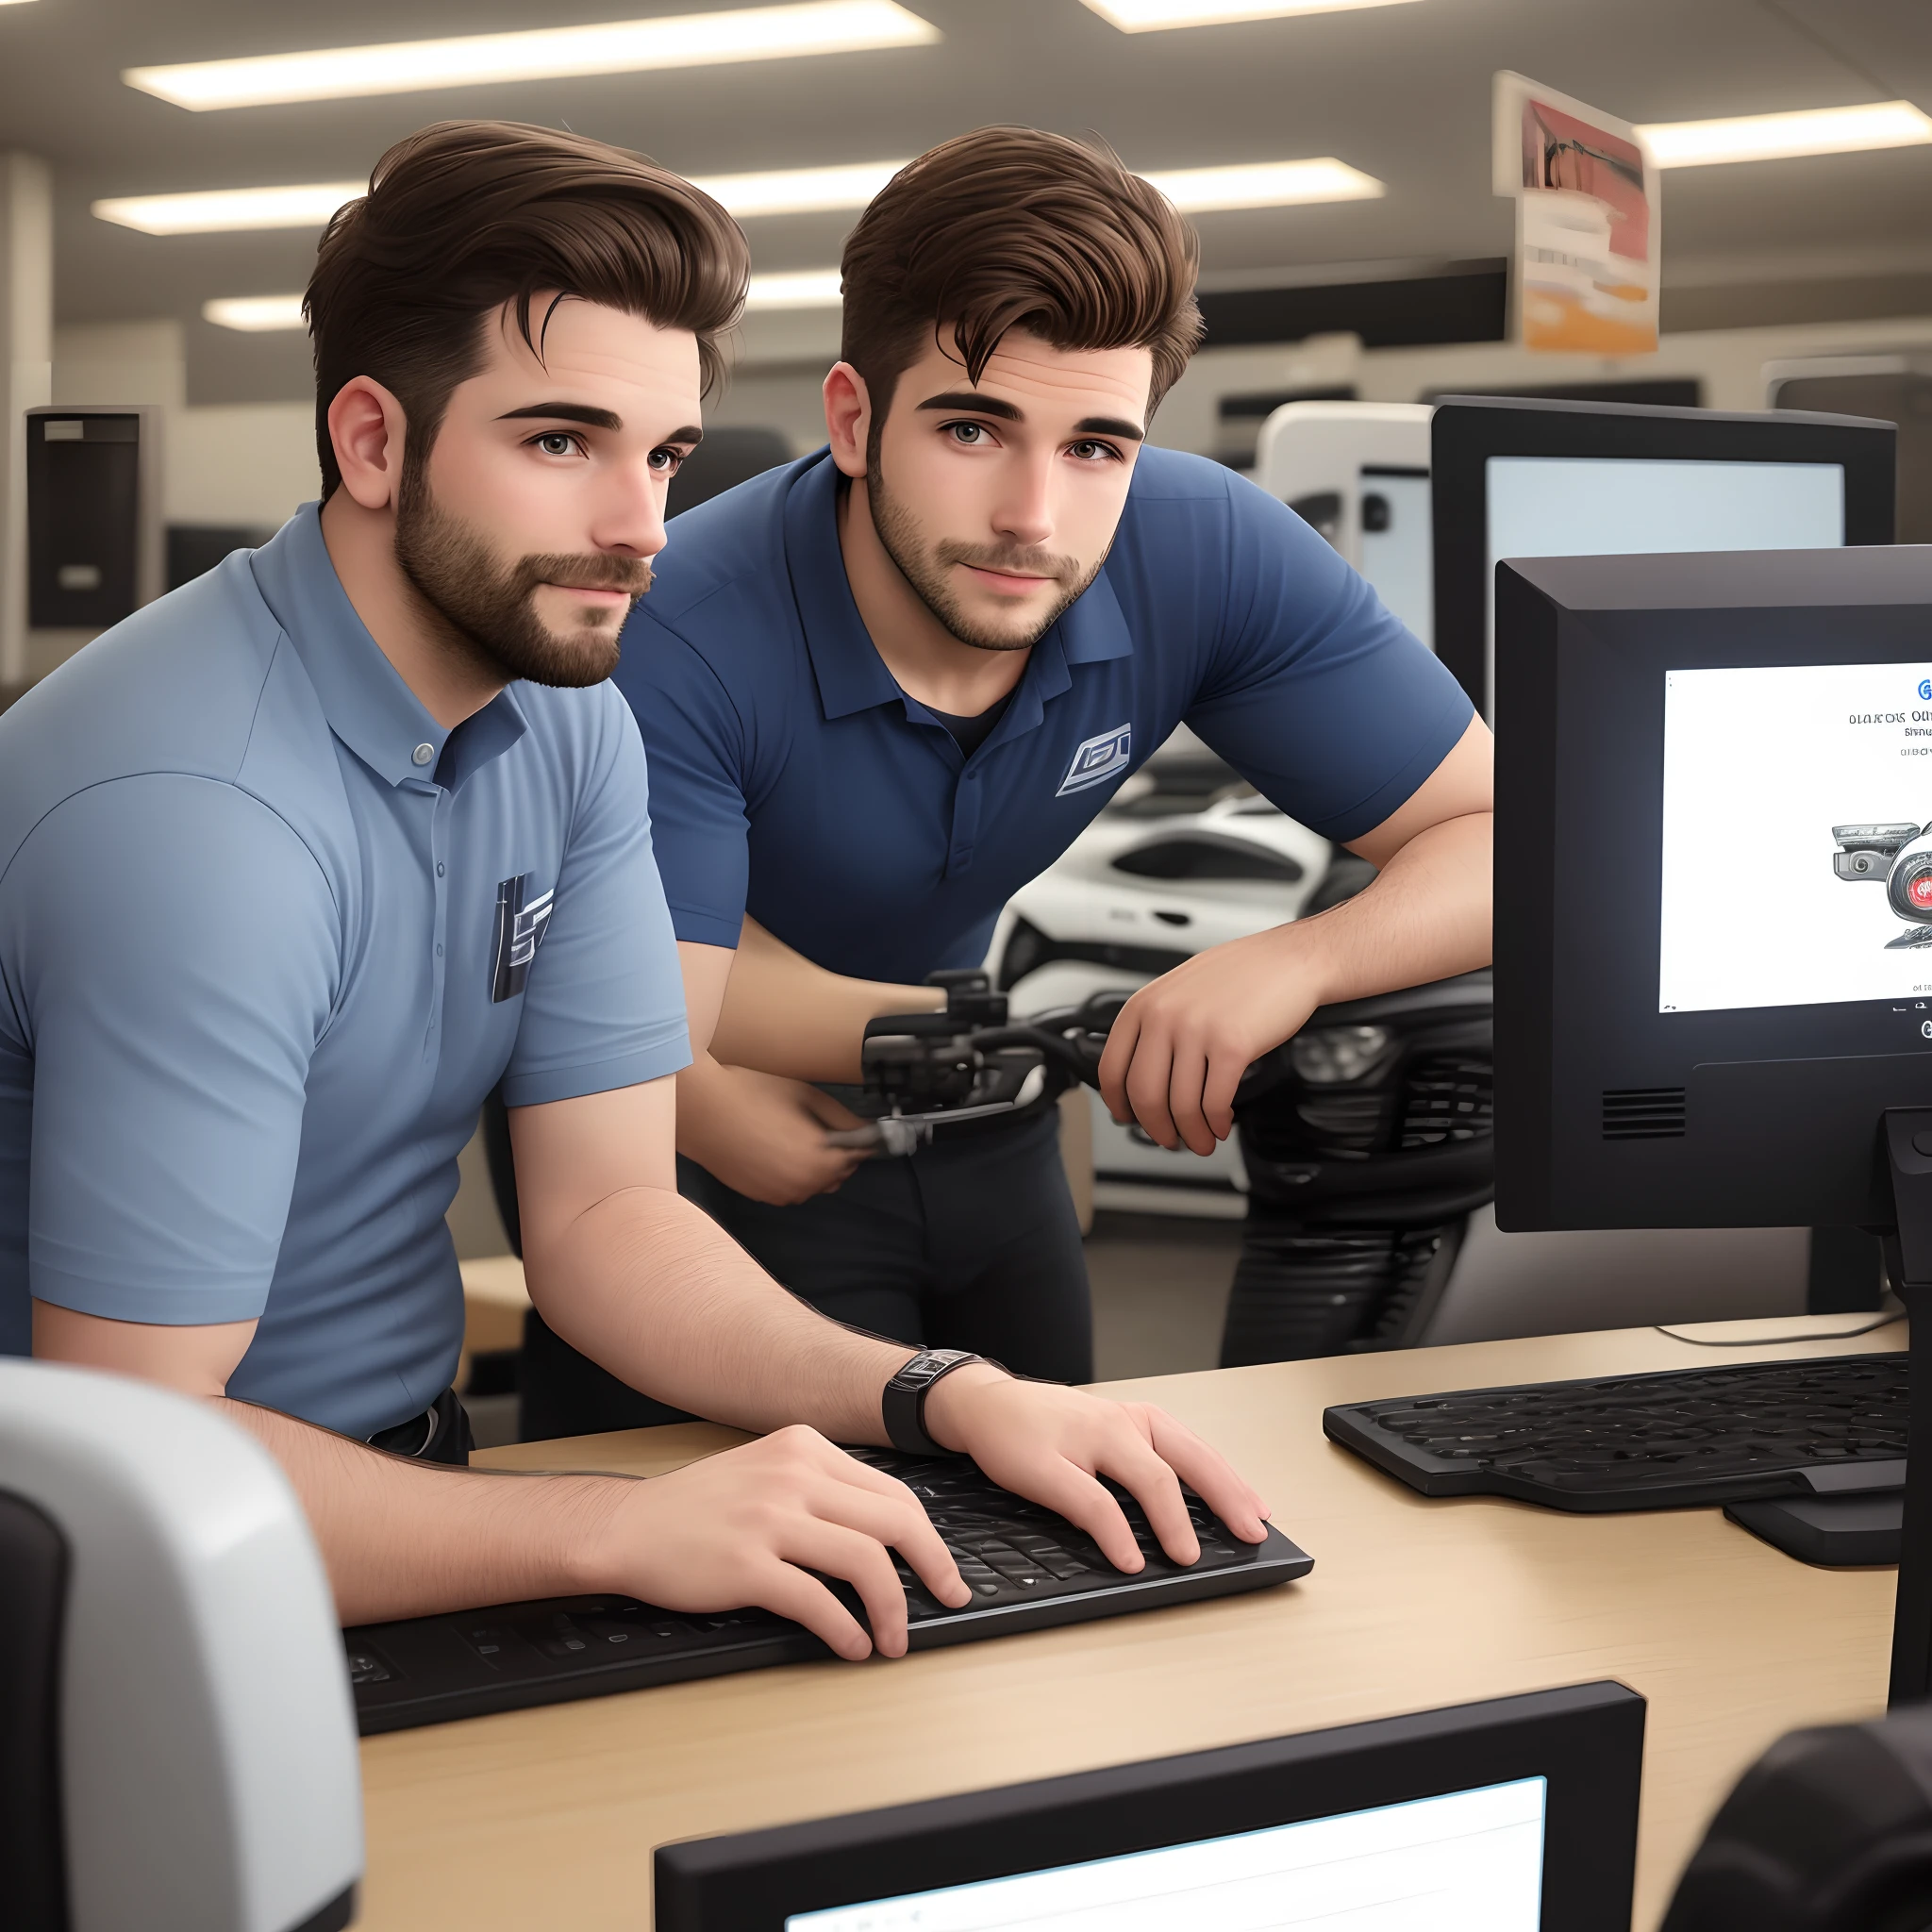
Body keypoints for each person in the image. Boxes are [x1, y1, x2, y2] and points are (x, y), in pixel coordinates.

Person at [0, 121, 1270, 1662]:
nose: (640, 527)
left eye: (660, 454)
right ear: (372, 441)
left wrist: (939, 1393)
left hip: (390, 1487)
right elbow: (144, 1459)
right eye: (558, 442)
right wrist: (613, 1522)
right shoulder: (202, 820)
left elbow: (605, 1217)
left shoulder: (566, 708)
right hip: (108, 1574)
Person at [521, 126, 1491, 1432]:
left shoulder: (1202, 544)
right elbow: (659, 1003)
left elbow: (1501, 833)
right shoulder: (674, 625)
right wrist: (993, 1031)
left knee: (1062, 1523)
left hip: (975, 1115)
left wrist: (1292, 963)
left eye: (1097, 444)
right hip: (698, 1127)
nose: (1037, 512)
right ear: (856, 419)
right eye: (975, 427)